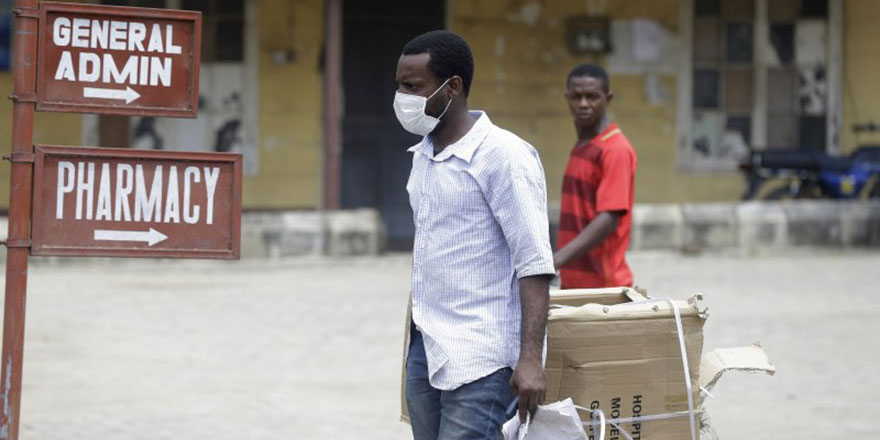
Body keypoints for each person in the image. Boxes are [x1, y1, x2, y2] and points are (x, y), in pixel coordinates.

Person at [395, 30, 555, 440]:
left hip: (483, 357)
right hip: (427, 347)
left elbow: (534, 262)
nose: (403, 97)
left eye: (413, 87)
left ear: (453, 87)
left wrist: (531, 359)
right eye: (400, 86)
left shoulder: (504, 156)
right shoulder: (424, 155)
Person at [554, 63, 638, 289]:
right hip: (575, 280)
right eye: (576, 97)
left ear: (607, 99)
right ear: (567, 98)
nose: (583, 104)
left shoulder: (615, 149)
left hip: (603, 285)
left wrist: (555, 261)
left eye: (591, 97)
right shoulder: (583, 145)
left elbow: (608, 219)